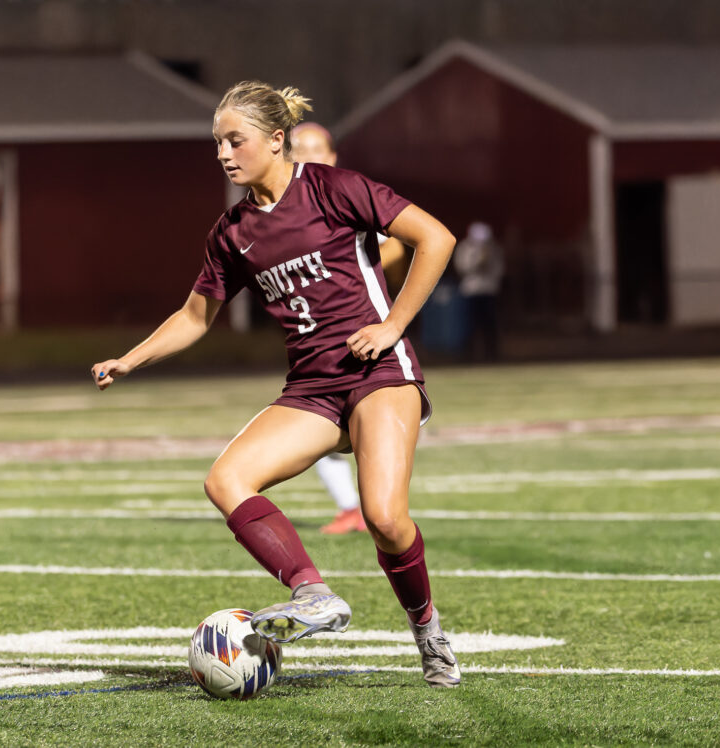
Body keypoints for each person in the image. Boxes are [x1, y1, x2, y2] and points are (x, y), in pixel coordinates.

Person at [91, 81, 460, 688]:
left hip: (378, 373)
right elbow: (193, 317)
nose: (224, 154)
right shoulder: (232, 231)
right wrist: (130, 360)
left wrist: (392, 325)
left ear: (276, 140)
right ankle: (312, 593)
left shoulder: (335, 188)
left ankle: (428, 633)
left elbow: (435, 238)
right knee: (226, 479)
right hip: (312, 388)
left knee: (387, 520)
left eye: (235, 140)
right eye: (217, 144)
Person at [291, 121, 415, 535]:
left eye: (314, 150)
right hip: (318, 351)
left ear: (332, 158)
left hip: (370, 347)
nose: (306, 158)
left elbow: (400, 245)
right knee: (314, 433)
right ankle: (351, 507)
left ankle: (368, 509)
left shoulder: (346, 196)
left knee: (371, 443)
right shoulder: (284, 215)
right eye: (298, 151)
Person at [453, 221, 503, 362]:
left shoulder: (494, 249)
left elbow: (499, 270)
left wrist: (487, 264)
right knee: (470, 324)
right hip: (470, 292)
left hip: (489, 291)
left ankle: (491, 354)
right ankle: (469, 354)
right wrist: (477, 262)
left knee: (490, 324)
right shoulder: (465, 248)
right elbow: (461, 268)